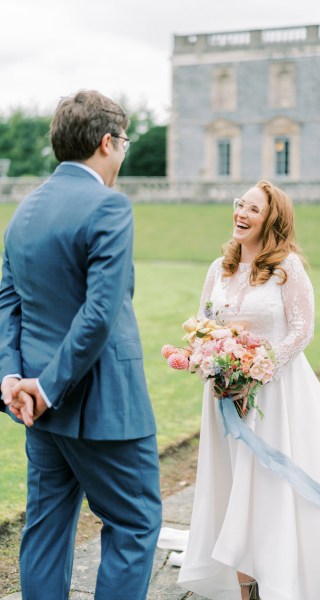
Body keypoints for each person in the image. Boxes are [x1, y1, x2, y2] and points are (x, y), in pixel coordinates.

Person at [175, 181, 320, 599]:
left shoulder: (287, 268)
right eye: (239, 204)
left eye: (253, 209)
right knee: (232, 485)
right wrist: (208, 359)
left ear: (271, 219)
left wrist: (258, 370)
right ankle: (244, 585)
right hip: (224, 397)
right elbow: (203, 322)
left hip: (276, 396)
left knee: (272, 485)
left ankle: (283, 573)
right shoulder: (217, 268)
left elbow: (302, 330)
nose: (241, 213)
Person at [0, 90, 162, 600]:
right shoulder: (109, 204)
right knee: (135, 524)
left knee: (46, 529)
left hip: (37, 408)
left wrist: (11, 379)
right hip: (103, 407)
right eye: (125, 142)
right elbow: (100, 313)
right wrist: (45, 388)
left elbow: (8, 304)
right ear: (107, 141)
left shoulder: (24, 209)